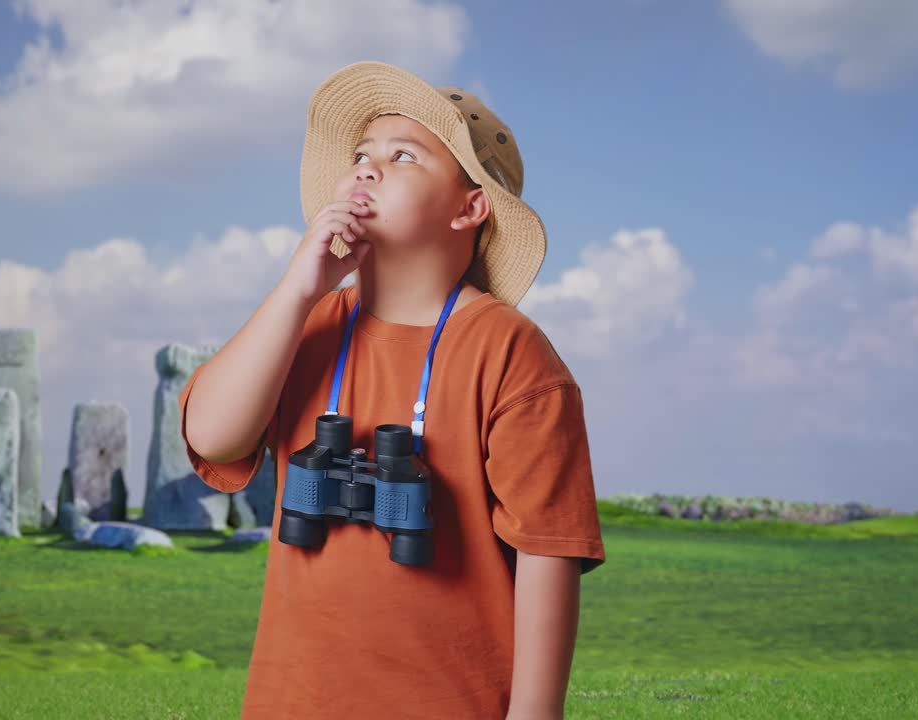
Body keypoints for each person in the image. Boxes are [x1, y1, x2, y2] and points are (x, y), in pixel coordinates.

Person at [178, 60, 605, 719]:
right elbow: (212, 437)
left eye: (403, 156)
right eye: (360, 154)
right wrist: (298, 289)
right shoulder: (306, 324)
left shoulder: (509, 352)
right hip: (292, 702)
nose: (367, 169)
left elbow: (547, 554)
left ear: (470, 208)